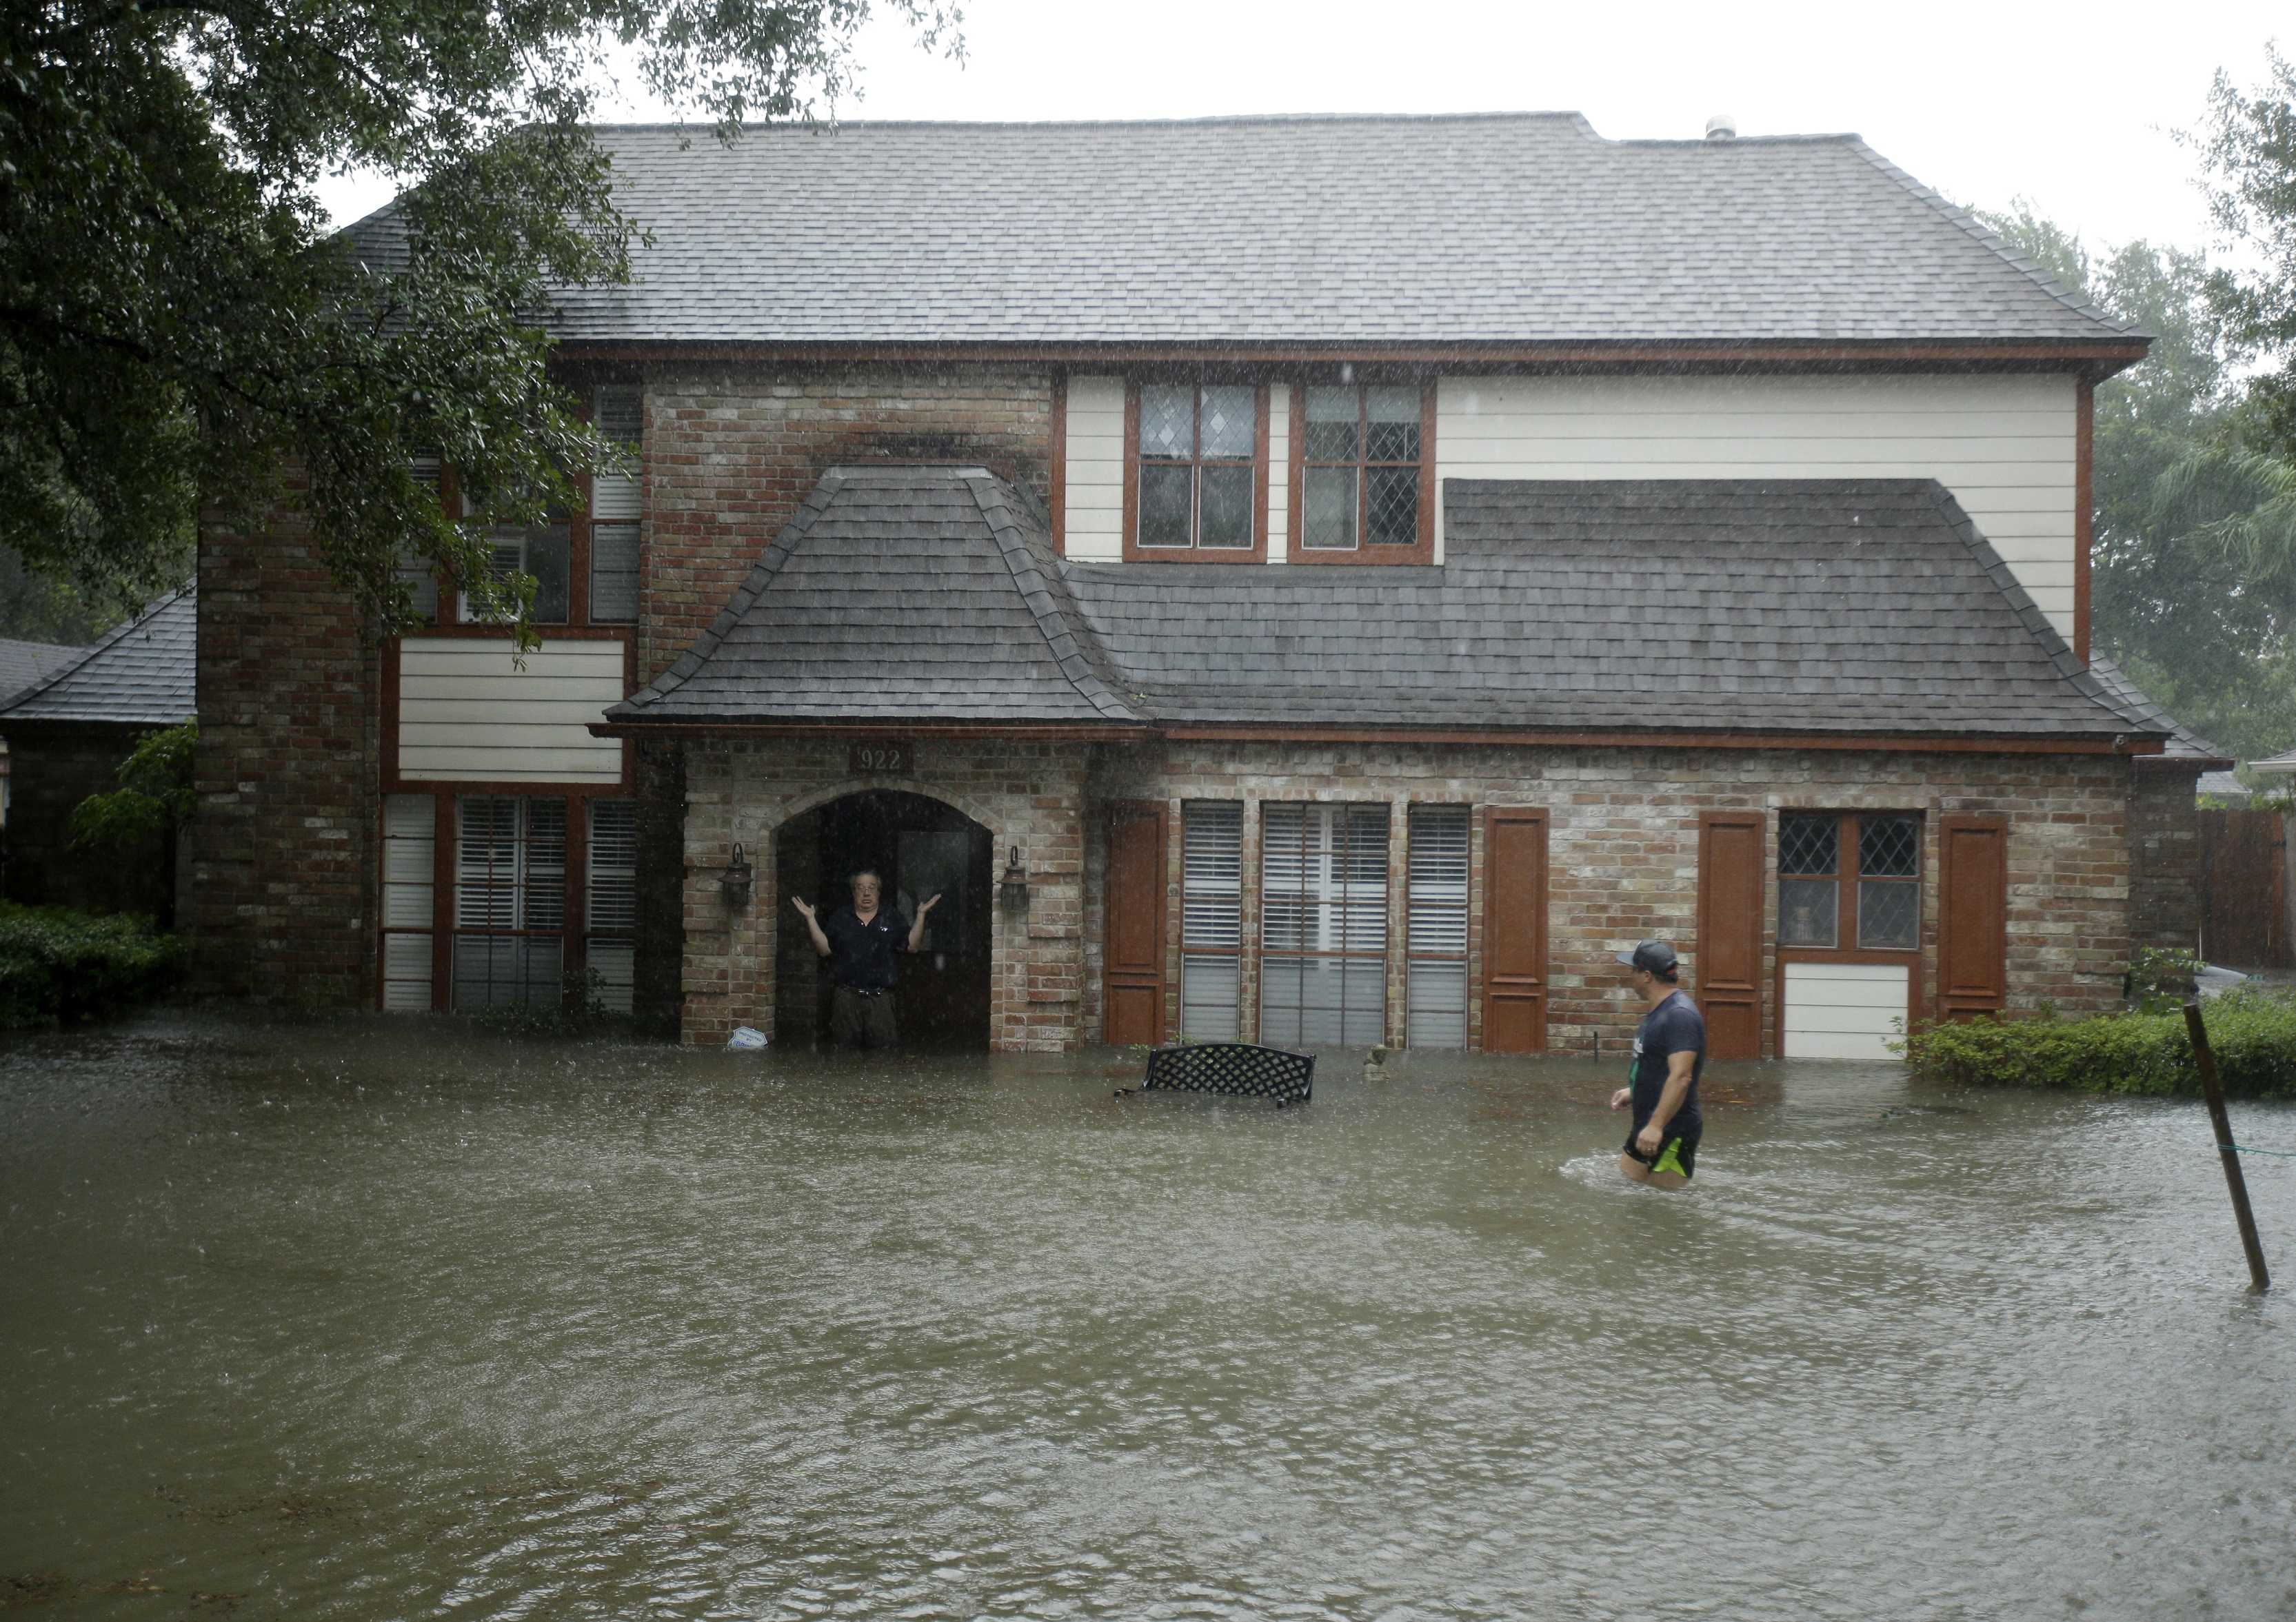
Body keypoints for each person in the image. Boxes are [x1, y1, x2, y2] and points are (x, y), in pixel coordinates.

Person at [790, 869, 940, 1050]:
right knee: (845, 1057)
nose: (866, 893)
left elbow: (913, 946)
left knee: (883, 1058)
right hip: (846, 999)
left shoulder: (891, 917)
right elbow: (824, 950)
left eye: (871, 887)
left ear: (878, 892)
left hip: (881, 999)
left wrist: (921, 915)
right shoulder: (841, 918)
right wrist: (811, 919)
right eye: (860, 888)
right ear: (853, 892)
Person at [1608, 940, 1705, 1189]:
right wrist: (1636, 1090)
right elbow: (1659, 1065)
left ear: (1647, 976)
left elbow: (1682, 1076)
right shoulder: (1660, 1011)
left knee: (1664, 1211)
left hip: (1672, 1128)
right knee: (1629, 1192)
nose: (1631, 976)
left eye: (1634, 970)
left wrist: (1656, 1126)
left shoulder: (1679, 1016)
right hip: (1649, 1123)